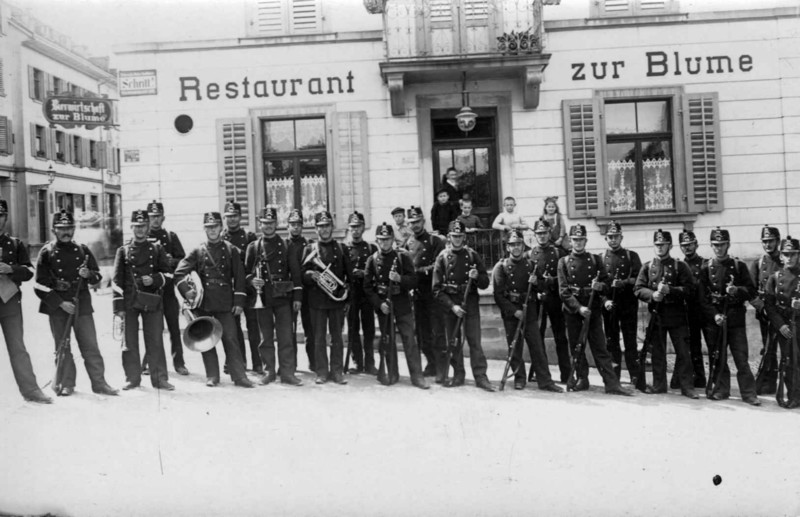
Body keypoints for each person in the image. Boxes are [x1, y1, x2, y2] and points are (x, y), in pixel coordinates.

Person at [34, 210, 119, 397]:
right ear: (53, 230)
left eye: (69, 228)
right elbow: (39, 285)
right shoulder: (46, 252)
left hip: (82, 306)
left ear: (74, 229)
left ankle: (99, 383)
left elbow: (98, 276)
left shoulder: (82, 250)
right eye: (61, 228)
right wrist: (60, 303)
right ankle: (66, 384)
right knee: (62, 347)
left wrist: (88, 275)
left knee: (90, 345)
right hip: (58, 308)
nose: (66, 232)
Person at [174, 212, 254, 388]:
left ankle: (239, 376)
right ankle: (212, 376)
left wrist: (239, 301)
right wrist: (187, 292)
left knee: (231, 339)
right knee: (206, 340)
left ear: (221, 227)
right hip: (205, 303)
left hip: (225, 302)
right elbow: (179, 272)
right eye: (208, 227)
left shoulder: (231, 249)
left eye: (215, 226)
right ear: (204, 229)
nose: (212, 230)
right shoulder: (198, 251)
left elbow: (240, 277)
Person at [557, 224, 631, 396]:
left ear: (586, 240)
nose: (578, 243)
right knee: (577, 346)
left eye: (581, 239)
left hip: (593, 309)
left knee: (600, 347)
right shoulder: (564, 262)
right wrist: (578, 308)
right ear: (570, 241)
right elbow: (563, 291)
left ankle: (611, 383)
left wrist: (600, 286)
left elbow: (606, 284)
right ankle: (582, 379)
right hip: (573, 310)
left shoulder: (595, 260)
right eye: (575, 240)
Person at [493, 229, 563, 392]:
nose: (516, 248)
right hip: (512, 313)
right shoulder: (501, 267)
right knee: (515, 347)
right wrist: (513, 311)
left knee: (537, 347)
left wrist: (537, 281)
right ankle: (519, 378)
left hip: (529, 311)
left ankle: (545, 381)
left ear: (523, 245)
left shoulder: (531, 265)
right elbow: (498, 295)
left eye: (518, 244)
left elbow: (544, 286)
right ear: (508, 247)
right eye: (512, 245)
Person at [112, 209, 174, 391]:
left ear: (148, 227)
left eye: (143, 226)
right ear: (131, 227)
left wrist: (154, 279)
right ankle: (132, 378)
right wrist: (119, 308)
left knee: (155, 340)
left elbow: (169, 274)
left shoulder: (156, 249)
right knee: (129, 341)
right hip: (130, 302)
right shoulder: (122, 251)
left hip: (152, 300)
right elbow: (116, 282)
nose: (140, 230)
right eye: (136, 226)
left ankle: (160, 379)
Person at [698, 227, 760, 406]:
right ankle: (721, 390)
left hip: (735, 318)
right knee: (718, 357)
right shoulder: (706, 268)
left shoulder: (738, 266)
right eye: (715, 245)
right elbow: (702, 299)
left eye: (722, 244)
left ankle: (749, 393)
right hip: (716, 319)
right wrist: (714, 315)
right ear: (711, 245)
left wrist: (737, 290)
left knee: (741, 358)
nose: (719, 248)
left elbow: (750, 290)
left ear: (728, 244)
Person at [363, 222, 429, 389]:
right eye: (381, 239)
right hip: (384, 305)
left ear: (392, 239)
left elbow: (414, 280)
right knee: (387, 341)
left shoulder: (402, 257)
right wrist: (379, 304)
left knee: (409, 341)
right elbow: (367, 287)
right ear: (377, 240)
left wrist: (400, 279)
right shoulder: (372, 260)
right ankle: (392, 372)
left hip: (402, 304)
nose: (384, 243)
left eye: (387, 239)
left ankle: (417, 376)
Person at [634, 230, 698, 399]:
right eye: (657, 245)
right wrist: (652, 295)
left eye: (663, 245)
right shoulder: (648, 267)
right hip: (657, 314)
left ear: (670, 246)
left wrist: (671, 290)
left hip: (677, 314)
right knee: (658, 352)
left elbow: (690, 290)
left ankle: (687, 387)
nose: (660, 248)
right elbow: (638, 288)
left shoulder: (680, 266)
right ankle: (659, 385)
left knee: (683, 352)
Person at [432, 220, 494, 391]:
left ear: (464, 236)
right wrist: (452, 306)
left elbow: (484, 283)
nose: (457, 239)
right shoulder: (442, 257)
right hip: (451, 305)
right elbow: (436, 289)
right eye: (454, 236)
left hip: (470, 303)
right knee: (453, 342)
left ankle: (480, 376)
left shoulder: (472, 255)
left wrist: (476, 277)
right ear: (449, 237)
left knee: (474, 341)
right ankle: (458, 374)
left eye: (460, 236)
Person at [0, 199, 52, 403]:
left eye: (1, 216)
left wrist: (11, 269)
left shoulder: (15, 244)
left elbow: (29, 272)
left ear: (5, 218)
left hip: (10, 302)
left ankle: (31, 390)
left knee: (18, 348)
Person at [245, 207, 302, 386]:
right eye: (265, 223)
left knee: (286, 337)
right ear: (260, 224)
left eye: (271, 223)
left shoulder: (287, 245)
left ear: (276, 224)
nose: (268, 226)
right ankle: (268, 371)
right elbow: (246, 273)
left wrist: (298, 297)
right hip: (263, 298)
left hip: (283, 297)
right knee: (265, 338)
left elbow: (295, 273)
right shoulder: (253, 247)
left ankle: (287, 373)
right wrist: (253, 281)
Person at [301, 210, 353, 385]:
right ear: (315, 229)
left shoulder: (341, 248)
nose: (324, 230)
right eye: (320, 226)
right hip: (317, 301)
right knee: (319, 338)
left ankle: (337, 371)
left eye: (327, 226)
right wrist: (311, 275)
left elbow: (348, 276)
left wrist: (347, 296)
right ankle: (322, 372)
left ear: (332, 227)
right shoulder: (309, 249)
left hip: (336, 301)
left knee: (337, 338)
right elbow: (302, 274)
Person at [145, 200, 189, 376]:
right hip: (150, 291)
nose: (155, 220)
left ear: (163, 217)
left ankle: (179, 363)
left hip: (168, 290)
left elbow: (183, 260)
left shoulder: (170, 237)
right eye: (152, 217)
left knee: (173, 328)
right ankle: (149, 363)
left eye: (158, 216)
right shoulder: (142, 237)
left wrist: (172, 261)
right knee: (152, 330)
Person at [404, 206, 447, 379]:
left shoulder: (435, 241)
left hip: (433, 292)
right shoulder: (408, 243)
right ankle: (430, 363)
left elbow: (438, 266)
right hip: (417, 294)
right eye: (412, 223)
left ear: (423, 221)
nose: (415, 225)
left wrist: (418, 272)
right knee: (422, 333)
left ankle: (441, 368)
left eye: (418, 221)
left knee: (437, 331)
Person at [221, 200, 262, 375]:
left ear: (240, 217)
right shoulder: (220, 238)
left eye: (234, 216)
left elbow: (256, 262)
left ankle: (258, 362)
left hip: (249, 289)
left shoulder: (250, 237)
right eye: (228, 216)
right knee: (233, 329)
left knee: (253, 327)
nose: (231, 220)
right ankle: (238, 361)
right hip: (231, 289)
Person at [528, 217, 569, 383]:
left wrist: (551, 281)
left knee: (560, 336)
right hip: (537, 300)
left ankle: (566, 374)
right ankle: (540, 372)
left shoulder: (558, 253)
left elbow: (565, 277)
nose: (542, 236)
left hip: (555, 299)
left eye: (544, 233)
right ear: (535, 235)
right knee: (538, 337)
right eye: (539, 233)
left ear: (549, 233)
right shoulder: (530, 254)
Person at [600, 220, 642, 383]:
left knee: (630, 340)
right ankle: (614, 376)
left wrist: (624, 282)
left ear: (621, 237)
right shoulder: (601, 258)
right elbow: (599, 286)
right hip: (610, 305)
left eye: (616, 236)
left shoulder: (632, 256)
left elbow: (639, 280)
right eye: (610, 236)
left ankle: (635, 375)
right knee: (611, 341)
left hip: (628, 304)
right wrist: (605, 301)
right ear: (606, 238)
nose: (613, 239)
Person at [764, 236, 800, 408]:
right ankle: (793, 395)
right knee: (788, 361)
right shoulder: (774, 278)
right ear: (781, 256)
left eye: (793, 254)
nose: (790, 257)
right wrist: (781, 325)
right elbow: (769, 306)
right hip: (785, 327)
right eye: (786, 254)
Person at [343, 211, 378, 374]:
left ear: (363, 227)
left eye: (358, 227)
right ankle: (357, 362)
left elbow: (378, 272)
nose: (355, 230)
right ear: (348, 228)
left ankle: (370, 362)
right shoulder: (343, 249)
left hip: (366, 294)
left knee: (369, 329)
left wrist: (365, 274)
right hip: (351, 294)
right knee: (352, 328)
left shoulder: (371, 248)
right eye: (352, 227)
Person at [750, 225, 782, 395]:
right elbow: (751, 289)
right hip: (765, 314)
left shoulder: (785, 261)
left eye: (771, 241)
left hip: (784, 314)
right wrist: (760, 307)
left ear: (778, 241)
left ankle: (792, 384)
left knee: (789, 349)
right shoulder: (758, 263)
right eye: (765, 241)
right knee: (768, 348)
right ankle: (769, 383)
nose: (768, 245)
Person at [675, 230, 709, 388]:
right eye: (684, 245)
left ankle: (710, 379)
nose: (687, 248)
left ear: (696, 244)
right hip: (687, 311)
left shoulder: (705, 264)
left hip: (704, 310)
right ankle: (697, 377)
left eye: (690, 245)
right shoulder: (679, 266)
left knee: (710, 344)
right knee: (692, 345)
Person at [285, 209, 315, 371]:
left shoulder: (309, 244)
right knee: (289, 329)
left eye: (298, 225)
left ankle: (314, 362)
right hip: (290, 292)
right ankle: (291, 364)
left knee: (310, 328)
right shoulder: (283, 244)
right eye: (292, 225)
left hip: (308, 292)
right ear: (287, 226)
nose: (295, 228)